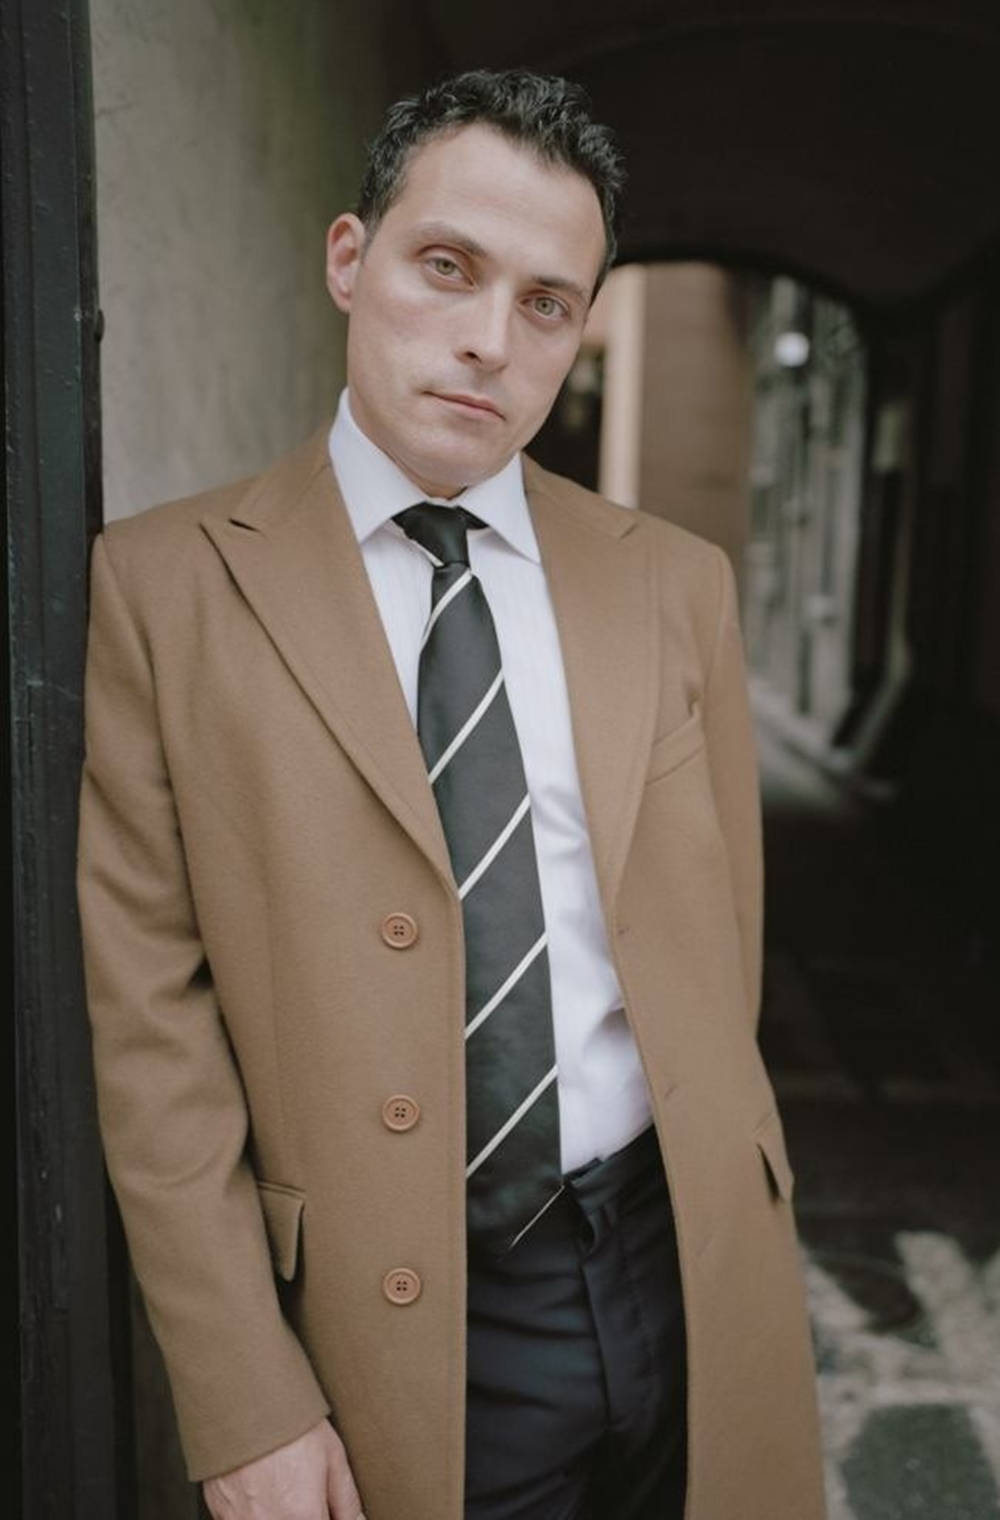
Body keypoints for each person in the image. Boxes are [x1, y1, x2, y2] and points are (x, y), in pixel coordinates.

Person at [78, 68, 827, 1520]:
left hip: (681, 1277)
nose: (490, 340)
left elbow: (717, 940)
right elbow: (150, 1036)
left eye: (548, 301)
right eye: (447, 267)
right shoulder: (165, 588)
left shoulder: (677, 586)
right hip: (404, 1322)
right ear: (351, 262)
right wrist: (242, 1395)